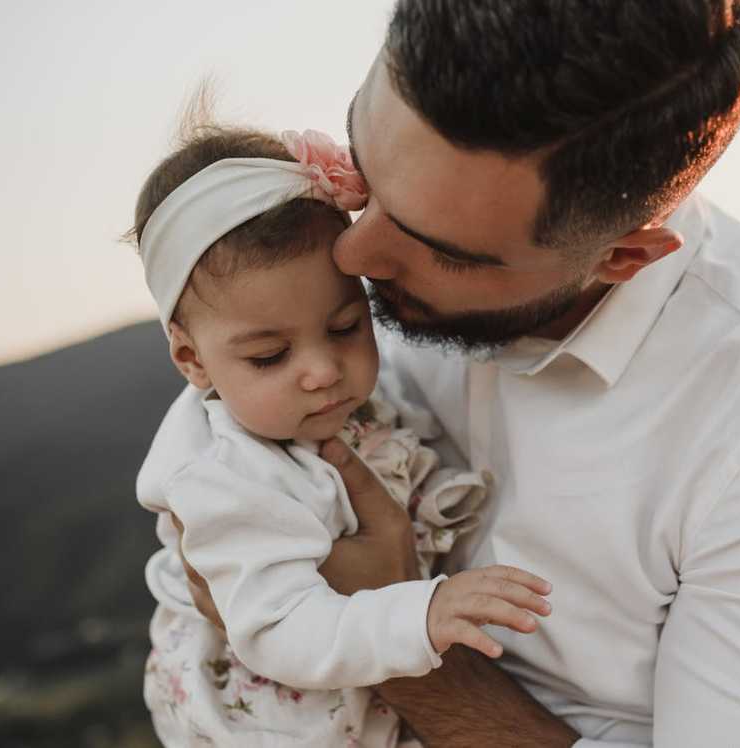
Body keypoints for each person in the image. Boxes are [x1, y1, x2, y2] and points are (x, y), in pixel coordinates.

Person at [184, 1, 740, 745]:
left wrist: (390, 643)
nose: (352, 257)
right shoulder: (355, 274)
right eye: (363, 169)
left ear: (622, 258)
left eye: (440, 249)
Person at [129, 121, 553, 746]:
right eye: (270, 356)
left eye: (346, 325)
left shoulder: (341, 403)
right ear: (192, 360)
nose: (323, 371)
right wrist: (420, 614)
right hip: (280, 721)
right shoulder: (225, 478)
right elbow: (280, 628)